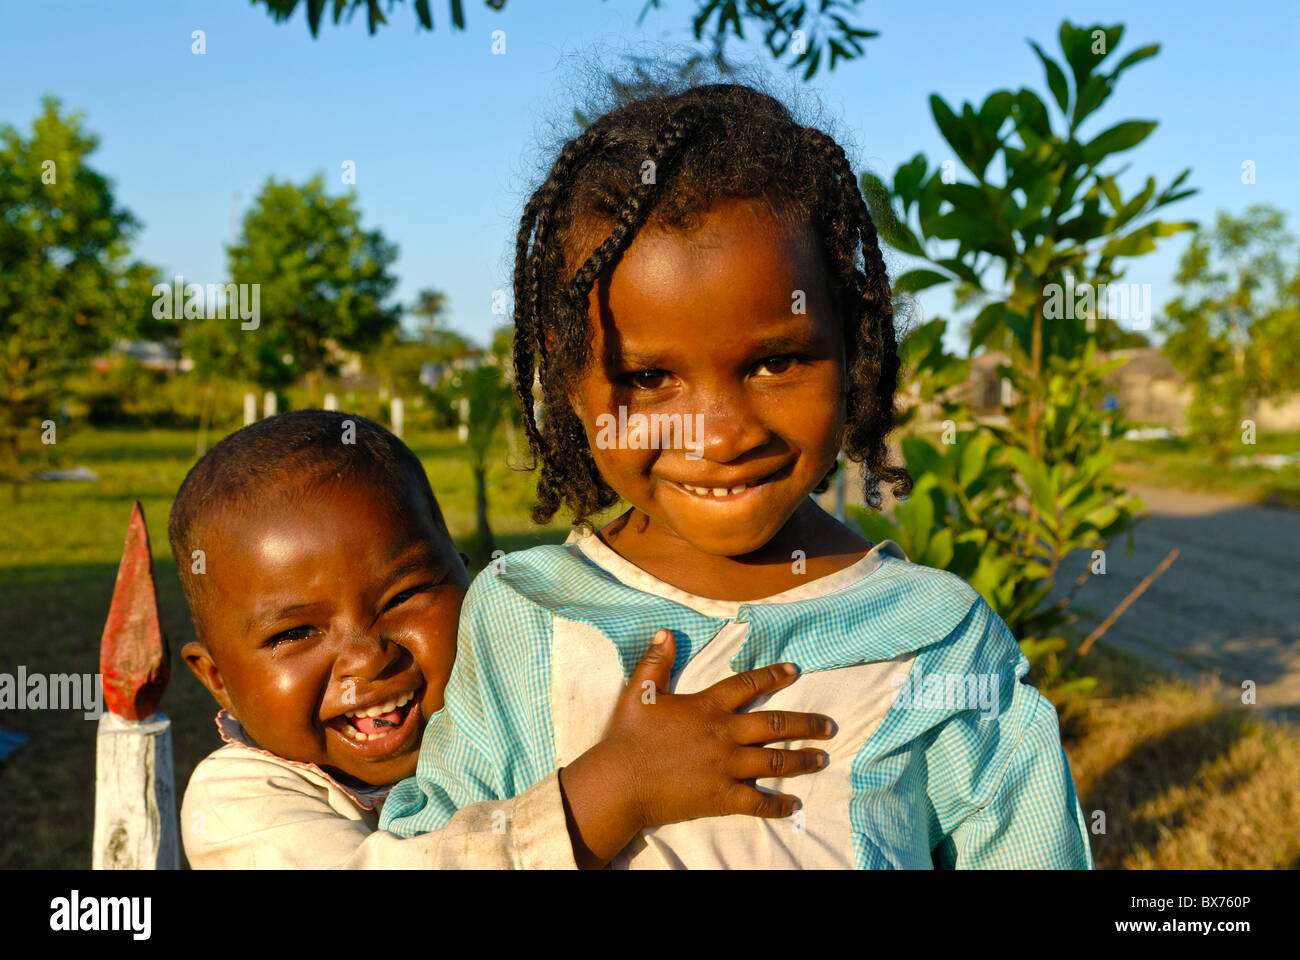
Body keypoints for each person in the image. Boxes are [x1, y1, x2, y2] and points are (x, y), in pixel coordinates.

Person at [381, 82, 1094, 868]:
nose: (720, 435)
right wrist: (613, 785)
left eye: (775, 361)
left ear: (853, 347)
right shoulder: (523, 616)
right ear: (572, 380)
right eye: (650, 378)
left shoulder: (937, 637)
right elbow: (434, 853)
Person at [171, 409, 835, 868]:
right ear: (217, 678)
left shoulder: (521, 698)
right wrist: (620, 785)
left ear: (468, 576)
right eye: (296, 632)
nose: (367, 655)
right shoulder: (238, 803)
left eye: (403, 597)